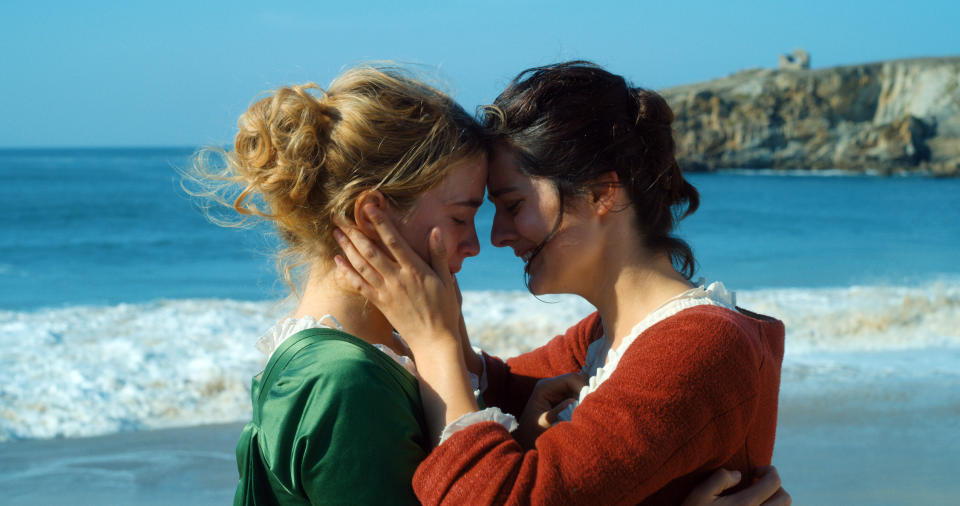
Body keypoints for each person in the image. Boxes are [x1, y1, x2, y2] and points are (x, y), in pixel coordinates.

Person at [333, 61, 787, 505]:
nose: (497, 235)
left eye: (513, 205)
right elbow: (503, 388)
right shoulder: (602, 338)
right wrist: (441, 324)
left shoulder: (698, 346)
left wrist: (433, 343)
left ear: (600, 193)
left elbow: (499, 497)